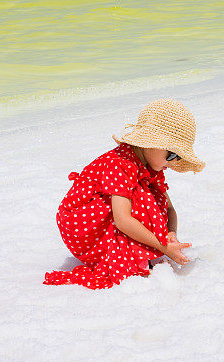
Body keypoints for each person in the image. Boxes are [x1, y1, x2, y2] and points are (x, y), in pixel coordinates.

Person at [44, 98, 205, 289]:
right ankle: (128, 254)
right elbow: (122, 219)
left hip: (108, 213)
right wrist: (162, 247)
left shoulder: (150, 167)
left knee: (153, 196)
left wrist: (170, 235)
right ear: (150, 142)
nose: (171, 162)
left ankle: (138, 247)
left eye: (177, 157)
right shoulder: (119, 165)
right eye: (171, 154)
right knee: (143, 198)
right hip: (81, 224)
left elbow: (169, 209)